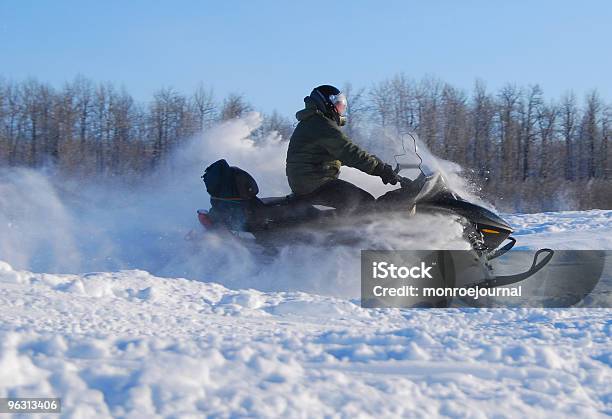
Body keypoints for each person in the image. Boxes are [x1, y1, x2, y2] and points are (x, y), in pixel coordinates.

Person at [286, 85, 398, 213]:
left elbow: (339, 155)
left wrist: (375, 162)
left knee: (355, 202)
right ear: (327, 104)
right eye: (339, 105)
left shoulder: (314, 122)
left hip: (309, 182)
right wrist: (378, 168)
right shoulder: (320, 124)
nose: (341, 109)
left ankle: (345, 229)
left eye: (343, 105)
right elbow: (347, 151)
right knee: (364, 203)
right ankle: (353, 232)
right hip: (314, 183)